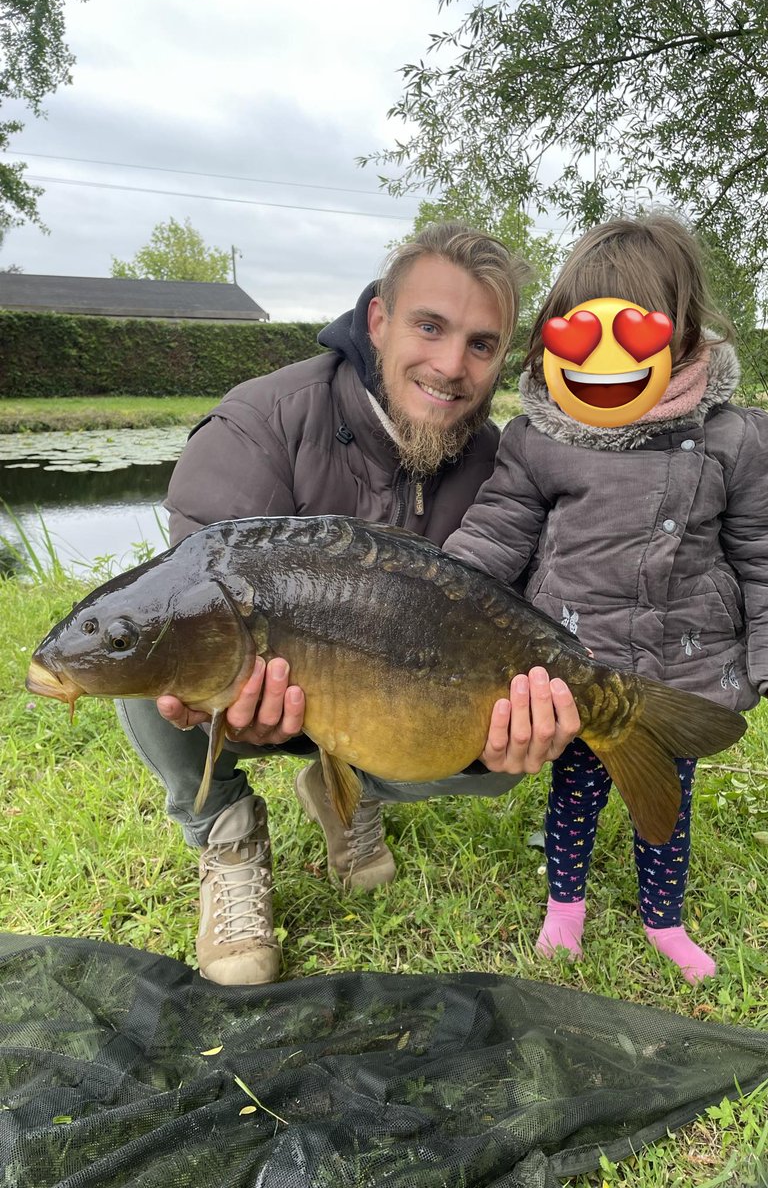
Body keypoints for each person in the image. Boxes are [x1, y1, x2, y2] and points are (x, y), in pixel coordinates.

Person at [116, 222, 581, 986]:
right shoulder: (260, 423)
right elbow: (185, 586)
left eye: (481, 344)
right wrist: (212, 701)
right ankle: (226, 836)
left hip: (379, 700)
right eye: (429, 327)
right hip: (252, 689)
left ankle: (345, 791)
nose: (450, 366)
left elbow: (522, 616)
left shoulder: (503, 465)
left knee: (512, 731)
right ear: (378, 321)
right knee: (150, 644)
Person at [443, 214, 768, 983]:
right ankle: (566, 908)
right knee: (574, 795)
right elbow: (494, 536)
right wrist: (439, 604)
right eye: (580, 336)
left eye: (637, 338)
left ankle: (665, 918)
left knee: (666, 807)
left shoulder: (735, 440)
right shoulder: (539, 437)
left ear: (684, 337)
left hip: (677, 681)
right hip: (570, 674)